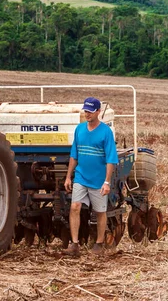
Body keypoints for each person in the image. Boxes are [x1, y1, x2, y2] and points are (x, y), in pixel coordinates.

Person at [64, 97, 118, 256]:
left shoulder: (106, 132)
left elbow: (111, 159)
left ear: (98, 112)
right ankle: (74, 244)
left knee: (100, 212)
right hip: (81, 176)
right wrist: (68, 177)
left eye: (90, 111)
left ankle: (99, 243)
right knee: (75, 207)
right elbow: (74, 156)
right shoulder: (79, 130)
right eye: (85, 111)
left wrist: (107, 182)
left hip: (98, 179)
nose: (87, 114)